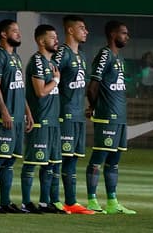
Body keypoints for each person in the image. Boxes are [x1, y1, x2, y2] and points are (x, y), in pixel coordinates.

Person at [85, 20, 135, 214]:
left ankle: (113, 202)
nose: (127, 37)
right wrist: (94, 107)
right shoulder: (105, 54)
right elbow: (93, 86)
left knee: (114, 160)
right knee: (99, 158)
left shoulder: (119, 58)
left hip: (120, 116)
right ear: (113, 35)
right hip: (107, 115)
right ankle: (91, 200)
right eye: (123, 33)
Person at [53, 15, 94, 214]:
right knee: (60, 157)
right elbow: (50, 72)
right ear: (70, 30)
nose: (86, 31)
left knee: (73, 158)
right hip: (65, 113)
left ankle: (71, 202)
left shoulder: (82, 56)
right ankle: (53, 200)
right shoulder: (63, 52)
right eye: (82, 28)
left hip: (78, 115)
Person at [0, 19, 26, 212]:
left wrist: (28, 113)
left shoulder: (16, 58)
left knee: (10, 160)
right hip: (4, 117)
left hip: (18, 117)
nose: (19, 34)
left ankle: (5, 202)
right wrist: (4, 112)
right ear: (3, 34)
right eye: (15, 31)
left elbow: (19, 88)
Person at [20, 24, 61, 212]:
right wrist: (56, 81)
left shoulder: (52, 63)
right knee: (32, 162)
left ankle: (45, 203)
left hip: (53, 121)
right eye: (52, 37)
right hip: (40, 120)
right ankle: (26, 202)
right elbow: (40, 92)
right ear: (41, 41)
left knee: (51, 164)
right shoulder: (37, 61)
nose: (56, 40)